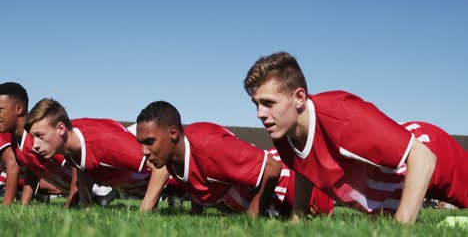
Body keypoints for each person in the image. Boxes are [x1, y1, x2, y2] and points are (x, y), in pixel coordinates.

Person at [243, 52, 468, 224]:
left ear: (299, 97)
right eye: (257, 104)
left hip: (431, 153)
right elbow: (304, 167)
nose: (260, 114)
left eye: (268, 103)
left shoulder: (343, 115)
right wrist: (297, 220)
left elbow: (423, 157)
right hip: (397, 176)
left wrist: (400, 229)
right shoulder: (283, 132)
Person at [135, 100, 334, 217]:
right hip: (273, 198)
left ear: (173, 133)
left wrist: (252, 218)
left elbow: (272, 168)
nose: (144, 151)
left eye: (150, 141)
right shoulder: (171, 158)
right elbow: (197, 182)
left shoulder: (208, 145)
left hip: (296, 185)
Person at [24, 98, 169, 210]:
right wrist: (86, 208)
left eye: (40, 136)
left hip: (175, 180)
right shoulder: (70, 141)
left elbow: (163, 168)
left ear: (61, 128)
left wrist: (144, 212)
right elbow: (82, 167)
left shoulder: (105, 144)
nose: (35, 145)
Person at [0, 82, 116, 207]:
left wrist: (70, 204)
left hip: (100, 188)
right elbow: (32, 170)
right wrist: (23, 205)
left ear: (19, 109)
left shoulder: (41, 135)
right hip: (81, 191)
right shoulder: (15, 140)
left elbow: (76, 165)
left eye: (0, 109)